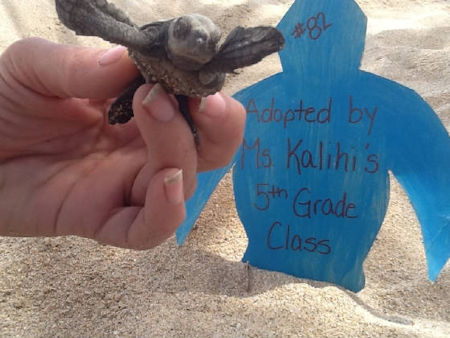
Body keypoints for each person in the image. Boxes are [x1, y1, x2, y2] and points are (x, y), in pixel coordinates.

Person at [0, 37, 245, 249]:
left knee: (184, 121)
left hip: (175, 97)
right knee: (159, 113)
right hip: (147, 88)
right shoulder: (153, 42)